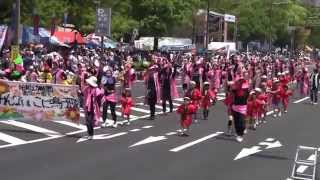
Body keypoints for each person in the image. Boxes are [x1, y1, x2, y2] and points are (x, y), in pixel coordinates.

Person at [231, 77, 249, 142]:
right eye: (240, 81)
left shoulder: (246, 90)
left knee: (242, 122)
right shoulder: (235, 89)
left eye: (242, 81)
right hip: (235, 107)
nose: (241, 82)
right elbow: (231, 90)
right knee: (236, 122)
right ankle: (238, 133)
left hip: (243, 108)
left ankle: (240, 134)